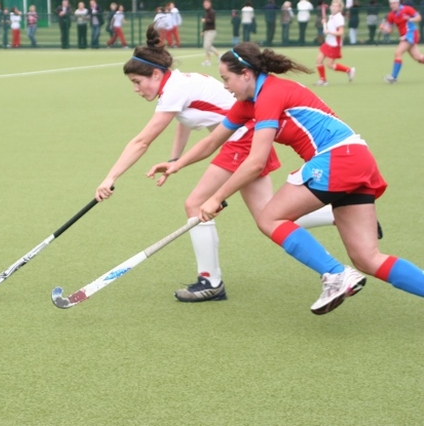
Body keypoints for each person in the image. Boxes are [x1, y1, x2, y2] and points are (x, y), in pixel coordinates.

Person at [149, 42, 424, 314]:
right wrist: (177, 164)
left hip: (336, 159)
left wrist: (217, 198)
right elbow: (212, 142)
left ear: (246, 74)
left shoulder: (270, 93)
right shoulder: (248, 104)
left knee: (270, 218)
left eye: (227, 78)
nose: (225, 86)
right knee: (367, 258)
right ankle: (341, 273)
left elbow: (256, 162)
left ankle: (334, 274)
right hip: (357, 159)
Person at [95, 23, 340, 303]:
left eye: (137, 82)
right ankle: (337, 214)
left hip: (243, 139)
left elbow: (142, 141)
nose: (136, 89)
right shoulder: (178, 84)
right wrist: (176, 159)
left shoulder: (175, 89)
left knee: (196, 204)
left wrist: (110, 177)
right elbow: (184, 121)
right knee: (268, 215)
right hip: (249, 136)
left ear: (155, 73)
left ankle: (210, 281)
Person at [315, 0, 355, 85]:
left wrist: (329, 32)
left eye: (336, 6)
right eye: (333, 6)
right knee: (319, 60)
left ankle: (349, 70)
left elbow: (341, 32)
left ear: (340, 8)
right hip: (328, 42)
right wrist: (324, 23)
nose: (333, 7)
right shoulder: (332, 16)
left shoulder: (339, 18)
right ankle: (323, 80)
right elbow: (331, 27)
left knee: (329, 65)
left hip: (334, 44)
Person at [382, 0, 423, 83]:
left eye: (394, 3)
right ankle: (394, 77)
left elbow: (419, 18)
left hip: (411, 34)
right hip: (404, 36)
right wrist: (384, 28)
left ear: (398, 3)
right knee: (418, 57)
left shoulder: (407, 9)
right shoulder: (391, 15)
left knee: (398, 53)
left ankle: (394, 77)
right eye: (391, 4)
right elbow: (390, 30)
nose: (392, 5)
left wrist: (410, 19)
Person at [201, 0, 219, 65]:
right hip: (206, 31)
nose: (205, 5)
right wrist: (203, 31)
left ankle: (219, 55)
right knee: (206, 46)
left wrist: (205, 20)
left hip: (211, 31)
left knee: (207, 45)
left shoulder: (212, 12)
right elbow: (205, 24)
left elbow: (212, 21)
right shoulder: (205, 12)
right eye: (204, 4)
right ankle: (208, 60)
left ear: (210, 4)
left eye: (207, 3)